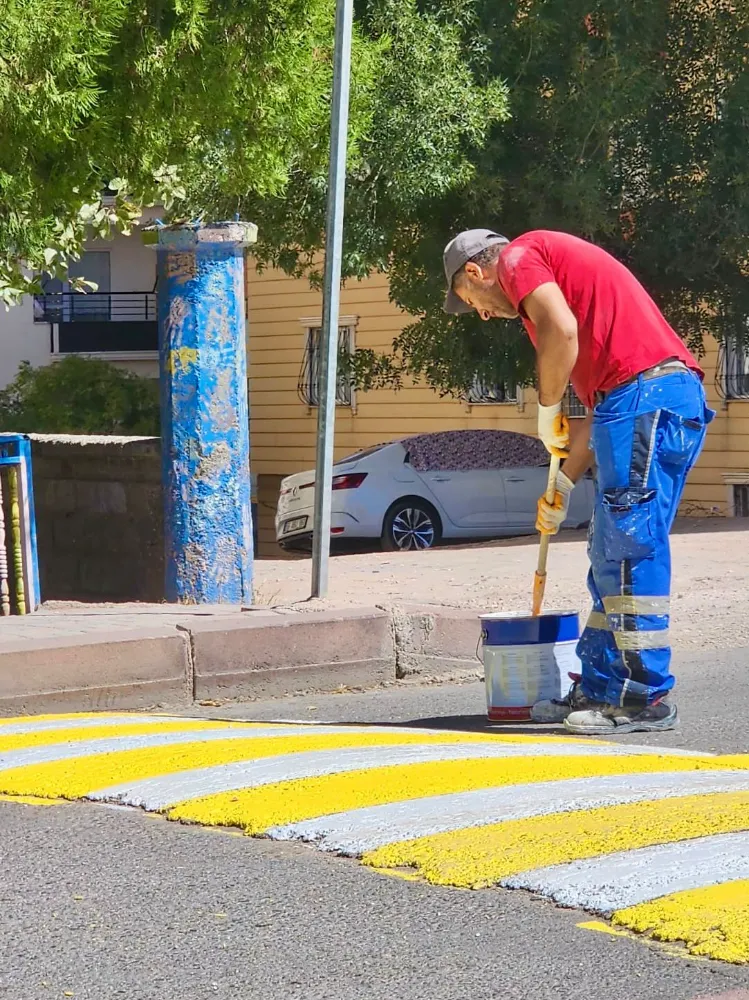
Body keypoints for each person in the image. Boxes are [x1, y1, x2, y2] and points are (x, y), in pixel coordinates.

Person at [442, 228, 714, 735]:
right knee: (609, 555)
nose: (482, 314)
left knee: (630, 548)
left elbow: (562, 332)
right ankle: (602, 688)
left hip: (648, 397)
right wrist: (563, 486)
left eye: (470, 299)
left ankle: (642, 699)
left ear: (476, 272)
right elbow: (595, 410)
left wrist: (547, 408)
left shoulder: (519, 257)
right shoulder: (547, 291)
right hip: (633, 401)